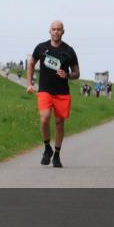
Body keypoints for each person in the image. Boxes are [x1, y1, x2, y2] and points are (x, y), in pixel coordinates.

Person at [26, 21, 80, 168]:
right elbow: (31, 63)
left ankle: (56, 154)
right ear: (49, 31)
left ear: (63, 32)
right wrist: (29, 84)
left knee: (59, 123)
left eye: (59, 30)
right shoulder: (41, 48)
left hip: (62, 93)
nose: (56, 32)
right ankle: (46, 148)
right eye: (53, 29)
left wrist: (67, 74)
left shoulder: (69, 51)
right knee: (44, 119)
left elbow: (77, 73)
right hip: (45, 90)